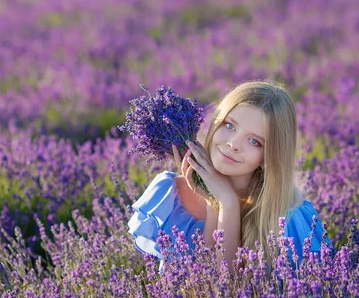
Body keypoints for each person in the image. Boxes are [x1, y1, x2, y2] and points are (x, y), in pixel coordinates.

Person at [127, 79, 331, 272]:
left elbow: (224, 295)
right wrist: (214, 204)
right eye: (229, 125)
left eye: (254, 141)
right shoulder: (170, 196)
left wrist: (227, 203)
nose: (233, 144)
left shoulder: (288, 217)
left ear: (269, 156)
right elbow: (198, 288)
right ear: (216, 123)